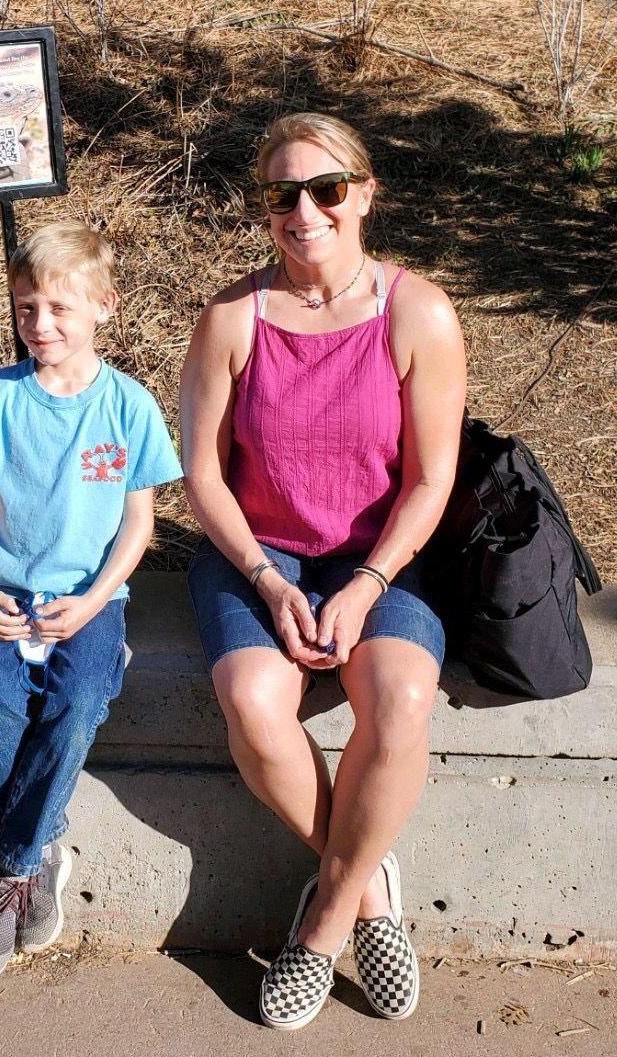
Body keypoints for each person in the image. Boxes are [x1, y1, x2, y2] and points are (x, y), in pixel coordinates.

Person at [180, 113, 466, 1029]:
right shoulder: (232, 316)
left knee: (401, 700)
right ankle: (369, 887)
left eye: (325, 189)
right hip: (256, 554)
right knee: (258, 708)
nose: (303, 211)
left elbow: (430, 480)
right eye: (280, 194)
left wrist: (366, 583)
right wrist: (268, 580)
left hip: (380, 555)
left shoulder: (415, 311)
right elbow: (200, 475)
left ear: (364, 194)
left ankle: (323, 921)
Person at [0, 220, 182, 978]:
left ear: (105, 306)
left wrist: (96, 598)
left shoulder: (129, 406)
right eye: (25, 308)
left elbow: (138, 521)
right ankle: (39, 853)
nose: (41, 325)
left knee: (76, 705)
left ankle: (8, 864)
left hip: (87, 601)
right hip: (3, 596)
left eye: (59, 309)